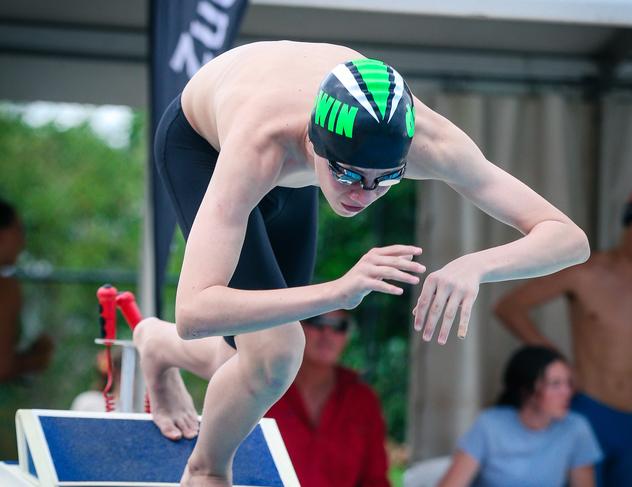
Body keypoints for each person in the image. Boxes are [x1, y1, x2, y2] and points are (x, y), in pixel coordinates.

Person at [134, 41, 589, 487]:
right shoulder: (260, 146)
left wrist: (477, 265)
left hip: (297, 177)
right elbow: (195, 314)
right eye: (349, 175)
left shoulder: (431, 142)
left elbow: (569, 238)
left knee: (250, 358)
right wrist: (338, 290)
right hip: (204, 146)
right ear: (314, 145)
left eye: (385, 180)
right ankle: (207, 469)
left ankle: (156, 345)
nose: (361, 196)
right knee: (276, 351)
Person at [494, 183, 632, 487]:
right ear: (630, 224)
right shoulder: (585, 273)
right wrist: (558, 364)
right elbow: (509, 307)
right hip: (588, 408)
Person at [439, 346, 601, 487]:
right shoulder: (490, 425)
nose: (567, 392)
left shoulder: (575, 428)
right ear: (526, 390)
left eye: (568, 383)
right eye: (555, 384)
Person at [265, 310, 389, 487]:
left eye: (339, 326)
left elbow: (375, 480)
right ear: (296, 326)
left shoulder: (363, 400)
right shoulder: (263, 388)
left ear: (347, 335)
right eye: (317, 321)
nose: (327, 334)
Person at [0, 198, 53, 382]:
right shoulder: (5, 287)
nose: (23, 242)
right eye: (19, 231)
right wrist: (36, 359)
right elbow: (2, 366)